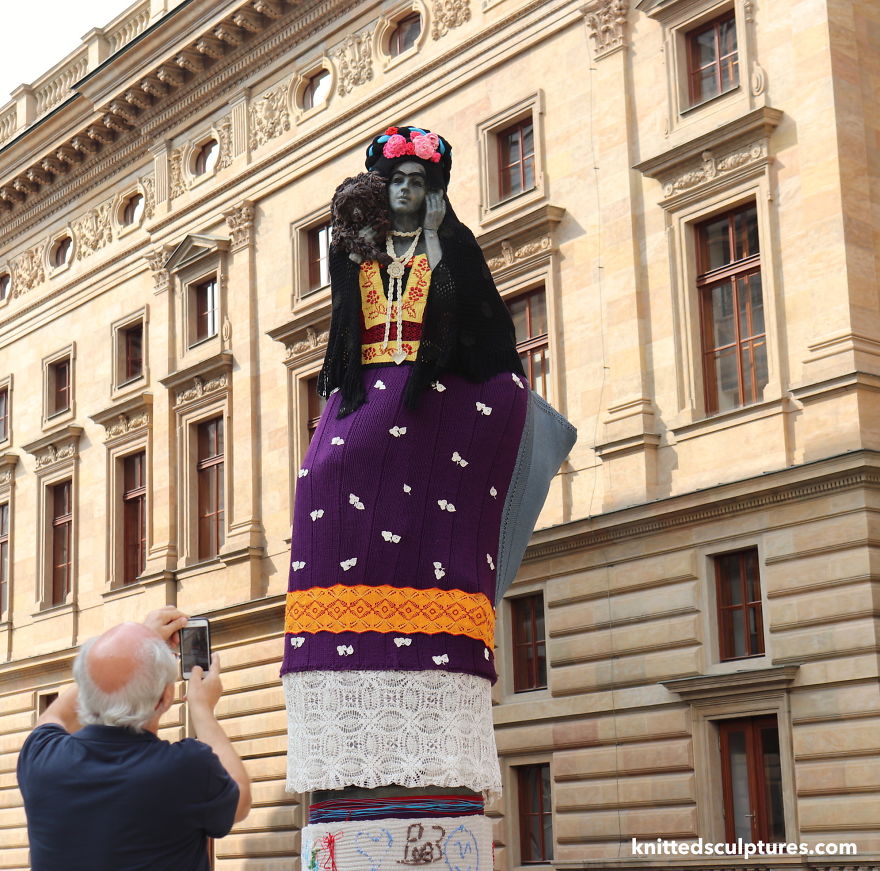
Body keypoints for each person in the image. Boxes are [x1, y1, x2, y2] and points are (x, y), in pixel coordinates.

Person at [280, 125, 572, 870]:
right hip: (364, 411)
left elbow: (485, 336)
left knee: (434, 510)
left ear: (434, 190)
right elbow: (344, 344)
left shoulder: (455, 253)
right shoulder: (358, 259)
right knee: (320, 479)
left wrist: (443, 251)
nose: (407, 190)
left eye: (418, 180)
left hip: (436, 404)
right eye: (395, 180)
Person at [17, 606, 251, 871]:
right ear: (164, 698)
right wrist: (202, 709)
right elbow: (240, 799)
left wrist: (140, 639)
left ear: (86, 690)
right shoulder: (186, 768)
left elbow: (56, 715)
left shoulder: (41, 758)